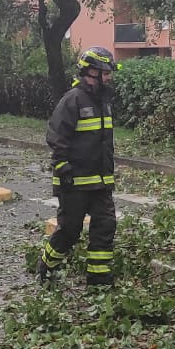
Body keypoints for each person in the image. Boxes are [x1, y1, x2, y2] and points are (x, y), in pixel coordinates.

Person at [39, 47, 118, 288]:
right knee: (70, 231)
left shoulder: (103, 102)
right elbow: (56, 136)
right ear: (89, 72)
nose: (108, 78)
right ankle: (46, 265)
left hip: (100, 182)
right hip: (74, 183)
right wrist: (63, 168)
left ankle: (99, 282)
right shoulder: (72, 100)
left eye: (109, 74)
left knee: (105, 227)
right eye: (104, 74)